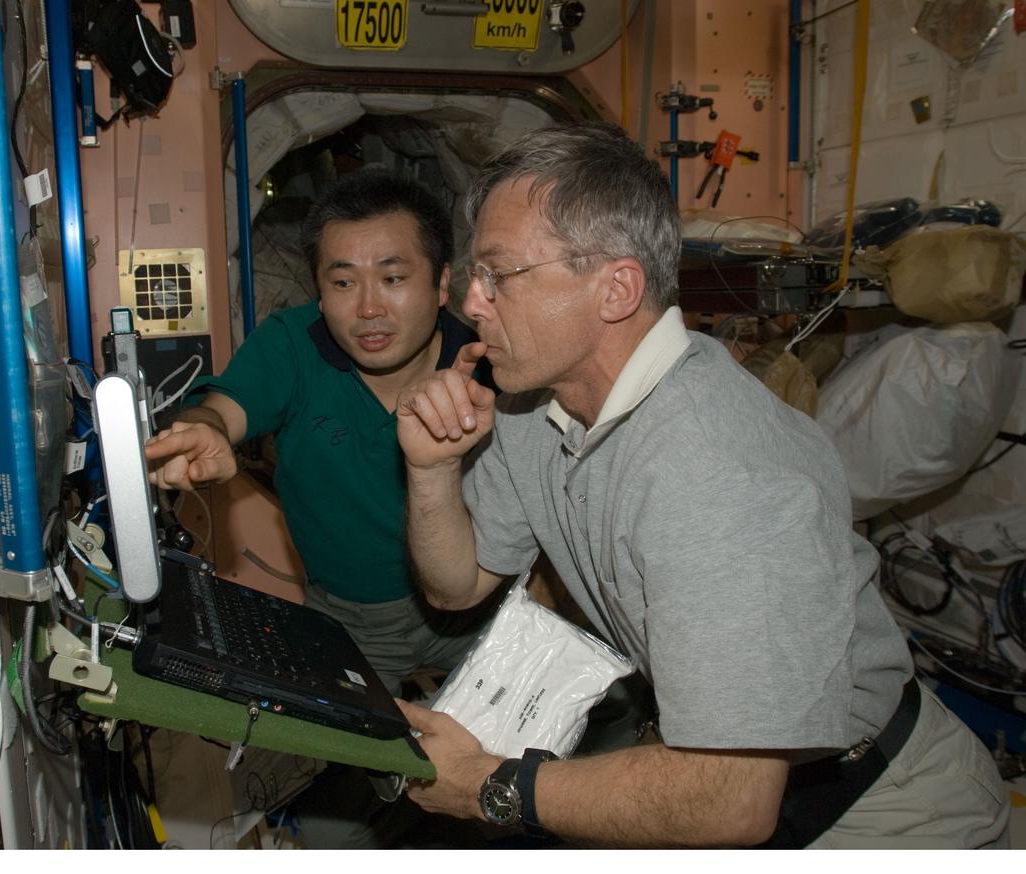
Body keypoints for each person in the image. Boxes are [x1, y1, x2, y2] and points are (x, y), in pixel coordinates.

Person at [394, 121, 1009, 848]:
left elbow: (728, 800)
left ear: (616, 289)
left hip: (881, 810)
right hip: (740, 786)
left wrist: (485, 785)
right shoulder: (532, 406)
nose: (471, 302)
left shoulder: (720, 473)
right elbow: (457, 586)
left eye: (500, 275)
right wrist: (431, 469)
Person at [144, 166, 496, 697]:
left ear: (443, 283)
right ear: (320, 293)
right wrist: (203, 429)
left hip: (479, 605)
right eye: (344, 282)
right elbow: (220, 411)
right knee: (345, 742)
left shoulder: (488, 364)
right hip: (352, 619)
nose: (369, 309)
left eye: (393, 279)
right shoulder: (291, 345)